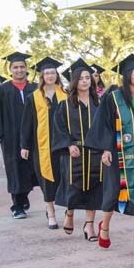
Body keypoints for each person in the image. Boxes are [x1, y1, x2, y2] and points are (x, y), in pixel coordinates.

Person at [84, 54, 134, 256]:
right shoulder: (113, 98)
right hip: (118, 152)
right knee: (113, 193)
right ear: (127, 75)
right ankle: (105, 226)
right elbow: (103, 125)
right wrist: (104, 149)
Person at [52, 59, 103, 241]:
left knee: (95, 190)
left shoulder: (99, 105)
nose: (84, 81)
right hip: (74, 153)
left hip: (95, 153)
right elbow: (59, 128)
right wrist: (69, 144)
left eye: (87, 77)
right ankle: (70, 214)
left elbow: (106, 128)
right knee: (73, 188)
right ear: (75, 81)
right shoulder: (65, 106)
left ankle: (89, 226)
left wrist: (105, 149)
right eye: (81, 78)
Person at [0, 52, 38, 219]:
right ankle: (17, 205)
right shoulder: (2, 90)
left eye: (22, 67)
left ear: (26, 69)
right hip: (11, 137)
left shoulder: (35, 88)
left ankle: (24, 195)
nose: (19, 70)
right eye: (16, 67)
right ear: (10, 69)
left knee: (32, 168)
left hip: (33, 136)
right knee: (15, 169)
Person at [20, 57, 66, 230]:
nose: (50, 75)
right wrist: (24, 145)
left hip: (62, 144)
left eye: (53, 72)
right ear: (42, 76)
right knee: (46, 179)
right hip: (42, 146)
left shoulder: (65, 95)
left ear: (57, 75)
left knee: (64, 177)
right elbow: (27, 123)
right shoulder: (34, 97)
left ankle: (66, 211)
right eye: (47, 73)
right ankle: (51, 213)